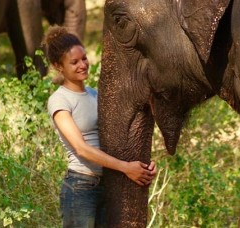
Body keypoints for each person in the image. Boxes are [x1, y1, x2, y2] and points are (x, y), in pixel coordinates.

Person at [43, 26, 157, 228]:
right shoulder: (59, 100)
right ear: (58, 66)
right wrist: (125, 168)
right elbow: (81, 148)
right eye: (74, 62)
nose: (83, 65)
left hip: (108, 184)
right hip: (80, 188)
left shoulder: (96, 94)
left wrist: (141, 164)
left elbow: (116, 135)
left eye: (84, 58)